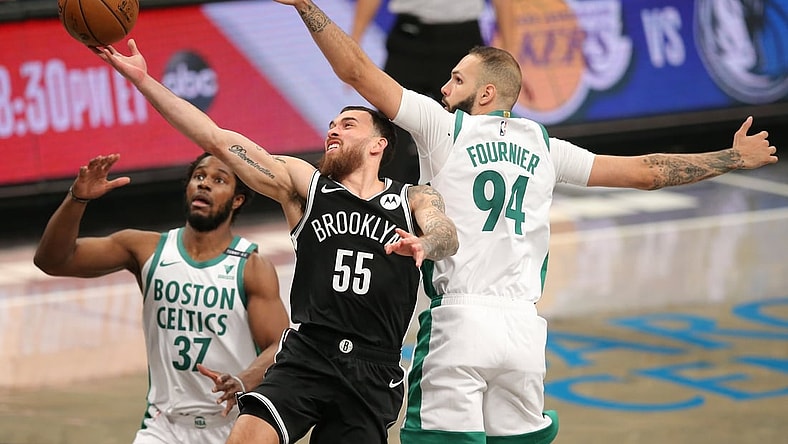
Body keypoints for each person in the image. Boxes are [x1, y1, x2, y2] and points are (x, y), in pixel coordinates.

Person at [271, 0, 780, 443]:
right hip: (523, 332)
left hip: (460, 322)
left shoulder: (445, 127)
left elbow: (358, 73)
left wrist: (305, 7)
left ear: (487, 94)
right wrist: (731, 159)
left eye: (457, 79)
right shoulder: (545, 146)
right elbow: (645, 173)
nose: (445, 88)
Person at [92, 38, 460, 444]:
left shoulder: (412, 198)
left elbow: (445, 232)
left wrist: (427, 245)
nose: (333, 130)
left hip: (373, 368)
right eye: (331, 126)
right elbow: (216, 139)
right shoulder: (305, 186)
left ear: (379, 144)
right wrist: (145, 82)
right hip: (309, 353)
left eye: (347, 125)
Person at [33, 153, 291, 443]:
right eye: (199, 176)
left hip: (232, 424)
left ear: (237, 200)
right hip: (164, 426)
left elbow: (280, 345)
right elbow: (52, 260)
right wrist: (77, 199)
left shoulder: (251, 267)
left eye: (219, 180)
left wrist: (244, 379)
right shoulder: (146, 249)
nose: (204, 184)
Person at [351, 0, 531, 184]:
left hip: (461, 42)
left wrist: (510, 63)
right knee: (389, 131)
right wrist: (355, 41)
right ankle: (387, 205)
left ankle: (477, 199)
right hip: (408, 38)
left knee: (470, 131)